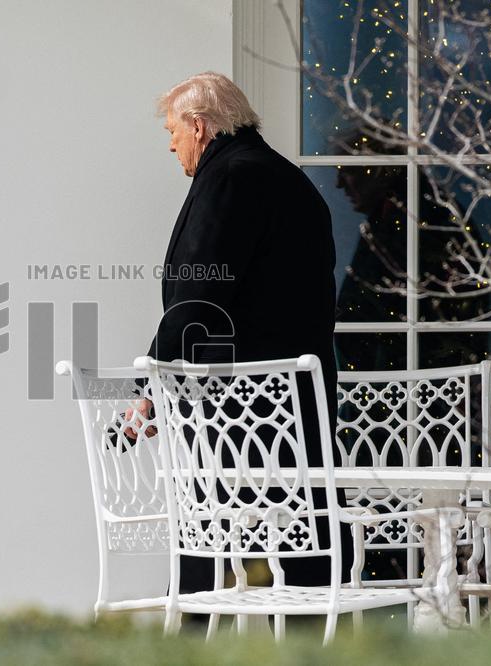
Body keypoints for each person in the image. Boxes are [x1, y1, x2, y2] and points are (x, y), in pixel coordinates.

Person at [124, 72, 345, 604]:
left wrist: (149, 391)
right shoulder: (288, 179)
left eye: (173, 131)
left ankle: (194, 635)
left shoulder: (231, 178)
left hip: (242, 406)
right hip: (297, 401)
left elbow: (198, 300)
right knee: (300, 545)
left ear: (199, 126)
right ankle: (309, 638)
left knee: (213, 544)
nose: (172, 145)